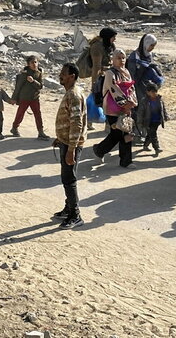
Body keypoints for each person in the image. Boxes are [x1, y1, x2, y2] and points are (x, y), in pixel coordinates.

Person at [52, 62, 87, 229]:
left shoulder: (73, 95)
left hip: (71, 144)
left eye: (63, 74)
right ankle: (68, 208)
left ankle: (75, 215)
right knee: (67, 178)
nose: (61, 76)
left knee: (69, 179)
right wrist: (60, 138)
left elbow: (77, 123)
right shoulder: (72, 92)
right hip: (66, 141)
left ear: (72, 76)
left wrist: (71, 149)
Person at [92, 49, 138, 168]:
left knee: (127, 133)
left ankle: (126, 161)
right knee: (116, 134)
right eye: (119, 58)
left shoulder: (126, 72)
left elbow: (132, 88)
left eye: (123, 58)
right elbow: (114, 90)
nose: (122, 60)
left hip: (127, 107)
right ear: (113, 60)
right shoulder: (110, 74)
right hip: (113, 109)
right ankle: (99, 150)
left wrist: (132, 102)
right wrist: (124, 104)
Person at [10, 55, 51, 140]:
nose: (34, 64)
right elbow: (18, 87)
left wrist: (33, 81)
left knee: (38, 114)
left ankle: (41, 132)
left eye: (36, 62)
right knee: (20, 113)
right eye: (32, 62)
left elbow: (40, 86)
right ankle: (14, 128)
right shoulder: (24, 74)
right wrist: (14, 98)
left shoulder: (39, 73)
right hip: (24, 98)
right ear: (28, 64)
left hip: (34, 98)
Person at [137, 83, 168, 155]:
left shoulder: (159, 99)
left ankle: (145, 145)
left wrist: (165, 116)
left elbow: (163, 108)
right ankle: (157, 148)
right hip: (148, 121)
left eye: (155, 92)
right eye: (152, 92)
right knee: (153, 134)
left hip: (157, 120)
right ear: (148, 92)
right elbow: (140, 112)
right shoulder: (144, 101)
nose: (154, 93)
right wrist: (140, 122)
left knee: (151, 134)